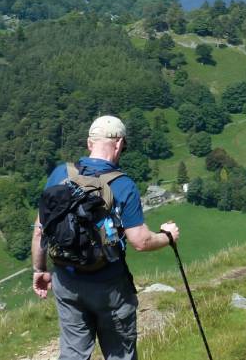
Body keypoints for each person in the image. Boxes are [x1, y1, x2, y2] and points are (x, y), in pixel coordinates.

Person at [31, 115, 181, 360]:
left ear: (90, 143)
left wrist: (39, 269)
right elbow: (140, 241)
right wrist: (168, 237)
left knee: (72, 354)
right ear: (119, 144)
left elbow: (40, 228)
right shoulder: (123, 185)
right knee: (119, 354)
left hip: (66, 280)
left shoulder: (60, 174)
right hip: (109, 286)